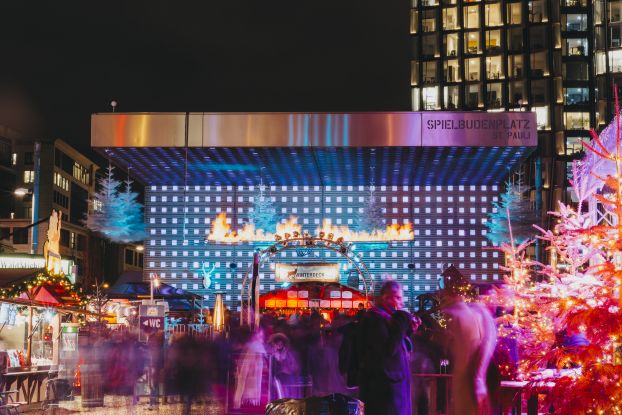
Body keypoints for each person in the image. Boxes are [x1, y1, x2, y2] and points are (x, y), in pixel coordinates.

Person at [359, 280, 420, 415]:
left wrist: (409, 330)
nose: (401, 303)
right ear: (386, 298)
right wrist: (402, 321)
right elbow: (389, 349)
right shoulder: (375, 319)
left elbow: (397, 344)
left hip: (395, 389)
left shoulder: (389, 319)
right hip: (385, 392)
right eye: (397, 298)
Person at [440, 289, 497, 415]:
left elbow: (484, 348)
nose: (494, 302)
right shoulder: (477, 314)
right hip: (473, 379)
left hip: (474, 379)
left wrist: (478, 378)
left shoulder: (476, 315)